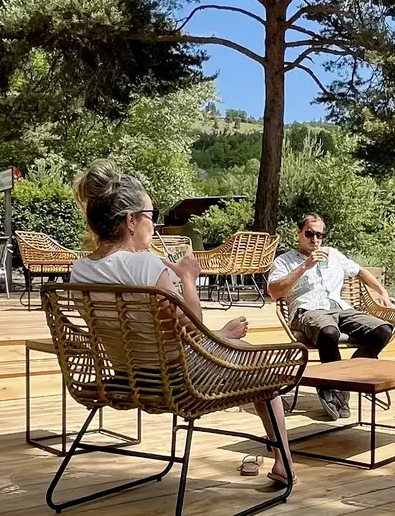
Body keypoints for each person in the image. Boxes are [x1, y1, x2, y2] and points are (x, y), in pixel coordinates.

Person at [67, 162, 293, 487]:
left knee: (235, 346)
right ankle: (284, 463)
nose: (155, 225)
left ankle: (233, 350)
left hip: (126, 377)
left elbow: (145, 333)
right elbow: (193, 326)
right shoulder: (144, 265)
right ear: (131, 220)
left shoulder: (80, 271)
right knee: (263, 370)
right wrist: (187, 278)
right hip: (177, 381)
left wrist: (218, 335)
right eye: (151, 215)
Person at [267, 213, 394, 420]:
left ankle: (346, 378)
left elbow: (360, 271)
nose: (315, 240)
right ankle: (332, 389)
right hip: (308, 311)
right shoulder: (285, 261)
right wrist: (304, 266)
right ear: (299, 233)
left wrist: (382, 291)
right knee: (328, 332)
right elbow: (274, 291)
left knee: (382, 330)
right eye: (309, 234)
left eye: (319, 235)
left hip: (341, 309)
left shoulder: (332, 254)